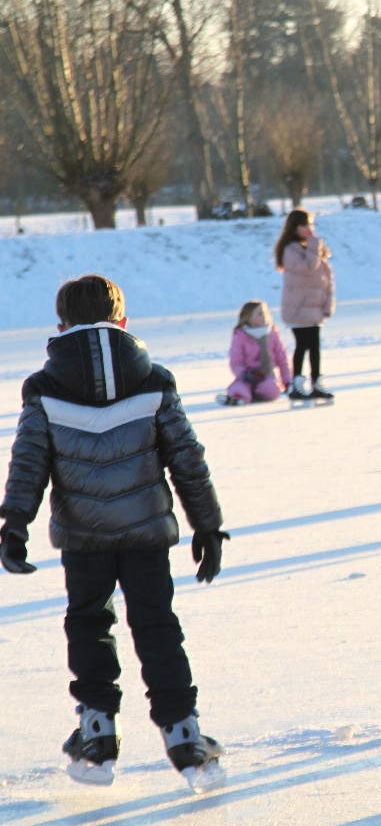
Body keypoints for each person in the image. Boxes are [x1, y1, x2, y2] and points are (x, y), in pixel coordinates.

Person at [0, 275, 229, 791]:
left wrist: (15, 522)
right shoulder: (154, 380)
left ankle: (97, 732)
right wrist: (208, 525)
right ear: (122, 321)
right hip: (146, 533)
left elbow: (29, 461)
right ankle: (184, 735)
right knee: (157, 626)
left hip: (84, 538)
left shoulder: (43, 388)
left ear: (61, 326)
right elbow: (187, 460)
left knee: (88, 623)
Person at [274, 209, 336, 401]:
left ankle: (317, 382)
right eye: (303, 225)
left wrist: (327, 303)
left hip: (314, 307)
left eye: (310, 224)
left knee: (315, 346)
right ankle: (297, 383)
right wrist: (314, 245)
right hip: (298, 308)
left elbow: (326, 279)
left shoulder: (312, 248)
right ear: (294, 228)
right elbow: (308, 268)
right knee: (302, 345)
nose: (308, 229)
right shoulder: (291, 250)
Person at [221, 300, 293, 405]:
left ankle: (253, 394)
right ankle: (236, 398)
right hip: (246, 376)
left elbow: (283, 360)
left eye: (265, 313)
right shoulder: (240, 335)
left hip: (266, 375)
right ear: (249, 318)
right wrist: (245, 373)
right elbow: (236, 362)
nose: (264, 316)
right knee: (240, 387)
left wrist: (287, 382)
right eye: (260, 314)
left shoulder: (272, 333)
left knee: (271, 389)